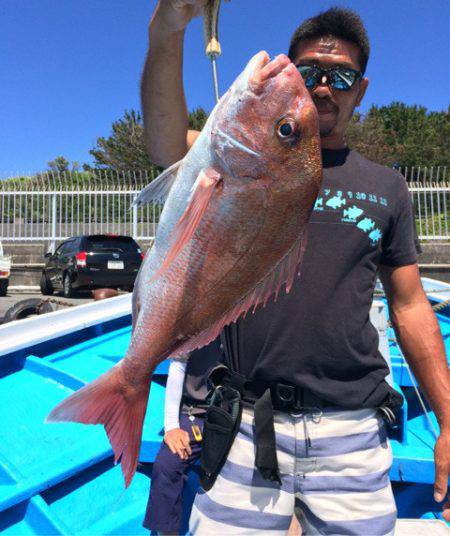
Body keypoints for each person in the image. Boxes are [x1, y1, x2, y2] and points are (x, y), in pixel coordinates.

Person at [141, 3, 450, 533]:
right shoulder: (241, 156)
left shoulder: (388, 187)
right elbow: (164, 140)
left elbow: (410, 303)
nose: (325, 87)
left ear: (362, 88)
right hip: (244, 418)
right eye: (309, 72)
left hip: (353, 426)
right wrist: (168, 27)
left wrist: (448, 419)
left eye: (343, 76)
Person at [143, 338, 222, 534]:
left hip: (235, 411)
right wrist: (171, 426)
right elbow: (177, 367)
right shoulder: (197, 319)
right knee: (167, 464)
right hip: (194, 412)